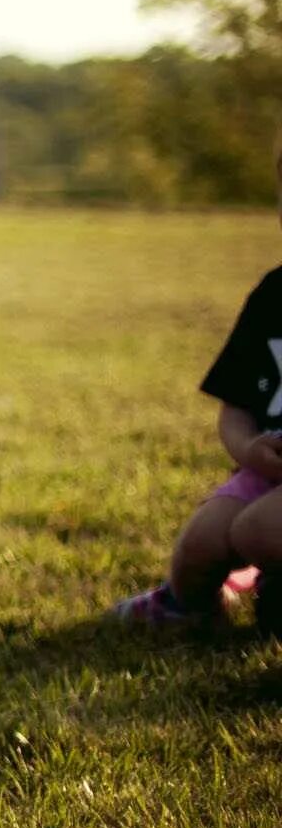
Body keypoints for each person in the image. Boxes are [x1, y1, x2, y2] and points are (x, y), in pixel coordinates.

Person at [117, 136, 282, 630]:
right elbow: (234, 409)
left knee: (257, 529)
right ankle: (186, 606)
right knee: (200, 544)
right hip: (267, 470)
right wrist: (249, 448)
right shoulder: (273, 296)